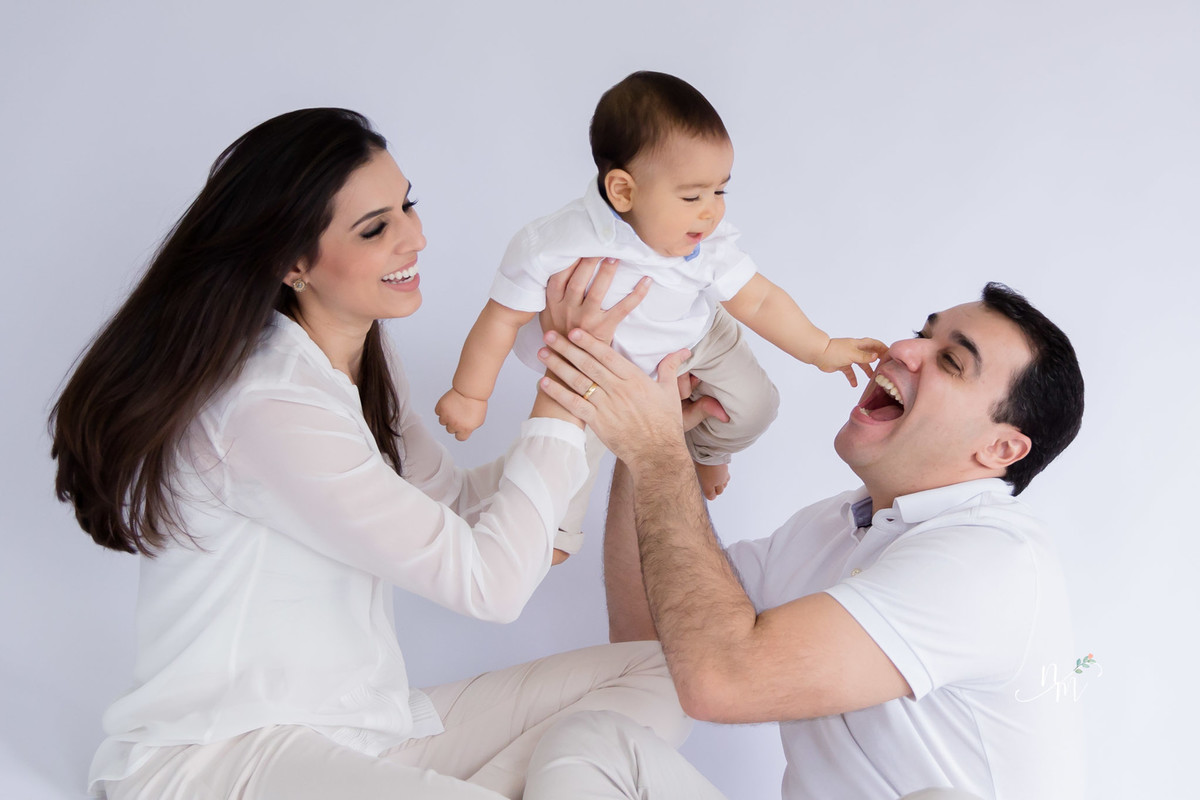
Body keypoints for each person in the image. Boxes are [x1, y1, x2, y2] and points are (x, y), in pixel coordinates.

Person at [49, 108, 688, 800]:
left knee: (667, 673)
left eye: (407, 205)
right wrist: (567, 384)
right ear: (291, 262)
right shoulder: (269, 407)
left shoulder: (356, 364)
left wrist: (607, 401)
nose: (415, 237)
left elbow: (459, 509)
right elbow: (490, 584)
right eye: (375, 227)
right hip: (218, 760)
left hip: (366, 729)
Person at [527, 280, 1086, 799]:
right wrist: (651, 443)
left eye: (950, 361)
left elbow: (722, 679)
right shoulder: (837, 523)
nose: (901, 348)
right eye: (922, 333)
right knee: (596, 746)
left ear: (1001, 451)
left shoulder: (991, 561)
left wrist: (659, 452)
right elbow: (651, 636)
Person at [435, 71, 886, 552]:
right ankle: (555, 529)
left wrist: (821, 348)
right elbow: (501, 317)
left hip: (696, 336)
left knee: (756, 406)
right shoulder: (555, 244)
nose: (711, 212)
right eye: (693, 196)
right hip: (597, 365)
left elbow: (757, 298)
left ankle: (705, 449)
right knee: (565, 454)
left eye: (720, 191)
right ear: (623, 192)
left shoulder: (706, 241)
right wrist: (470, 393)